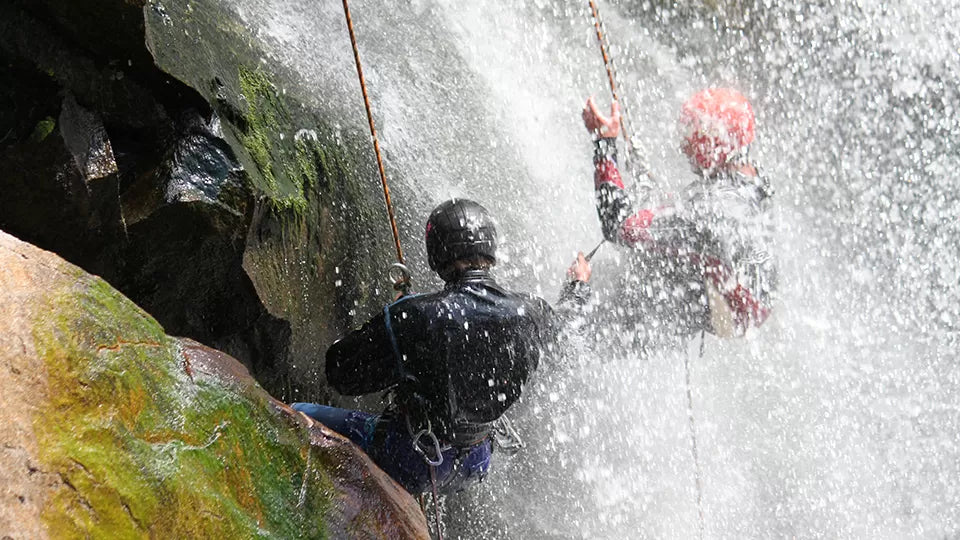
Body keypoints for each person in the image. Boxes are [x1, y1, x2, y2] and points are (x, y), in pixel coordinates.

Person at [293, 198, 592, 495]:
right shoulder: (530, 312)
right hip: (476, 461)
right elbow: (568, 329)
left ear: (436, 254)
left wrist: (396, 326)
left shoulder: (420, 315)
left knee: (297, 412)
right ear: (490, 249)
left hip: (415, 459)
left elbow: (341, 373)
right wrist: (578, 284)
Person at [581, 88, 776, 346]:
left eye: (690, 137)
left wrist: (604, 143)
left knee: (585, 330)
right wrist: (641, 174)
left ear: (710, 143)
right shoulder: (751, 182)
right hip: (739, 293)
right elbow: (674, 218)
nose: (683, 147)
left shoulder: (709, 213)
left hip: (715, 307)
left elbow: (617, 222)